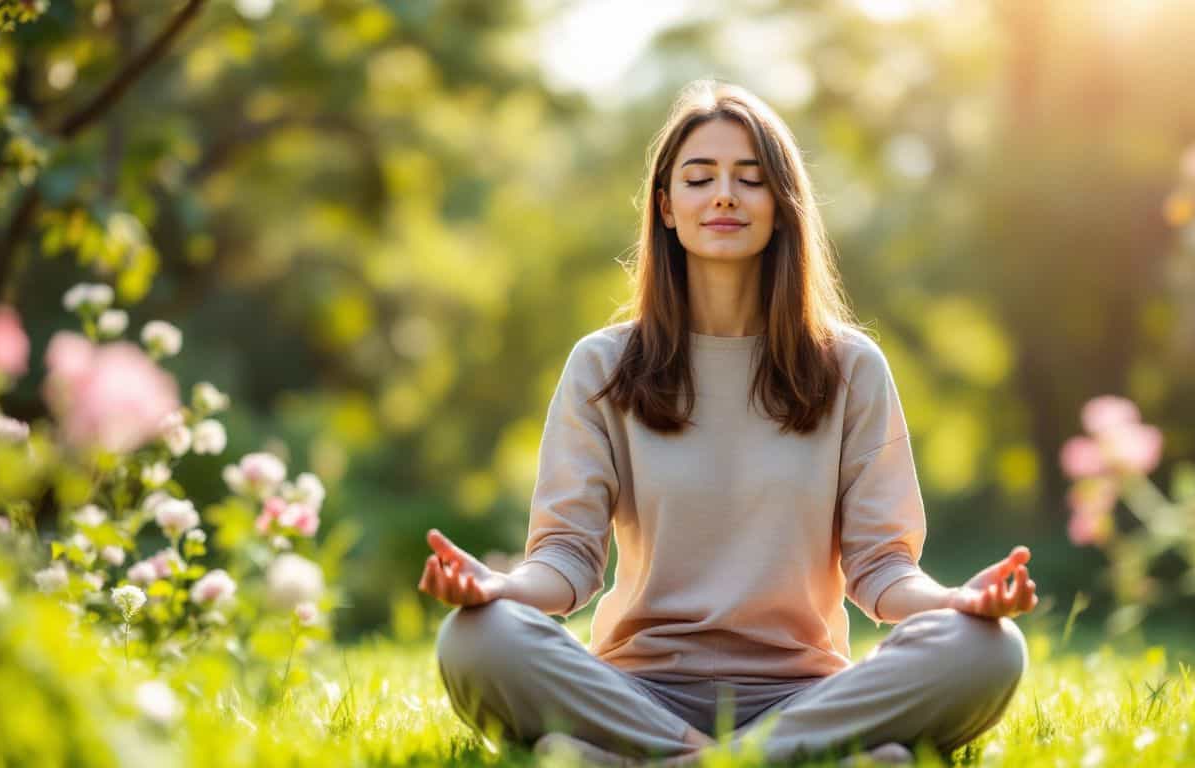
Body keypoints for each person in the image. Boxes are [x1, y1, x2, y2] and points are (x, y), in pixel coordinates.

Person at [419, 79, 1037, 767]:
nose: (723, 195)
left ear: (782, 205)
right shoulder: (603, 365)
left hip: (802, 694)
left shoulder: (851, 368)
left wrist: (956, 600)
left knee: (986, 648)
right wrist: (500, 590)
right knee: (476, 638)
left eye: (750, 178)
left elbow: (882, 568)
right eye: (699, 177)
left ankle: (644, 761)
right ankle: (785, 760)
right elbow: (567, 559)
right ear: (666, 207)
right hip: (639, 690)